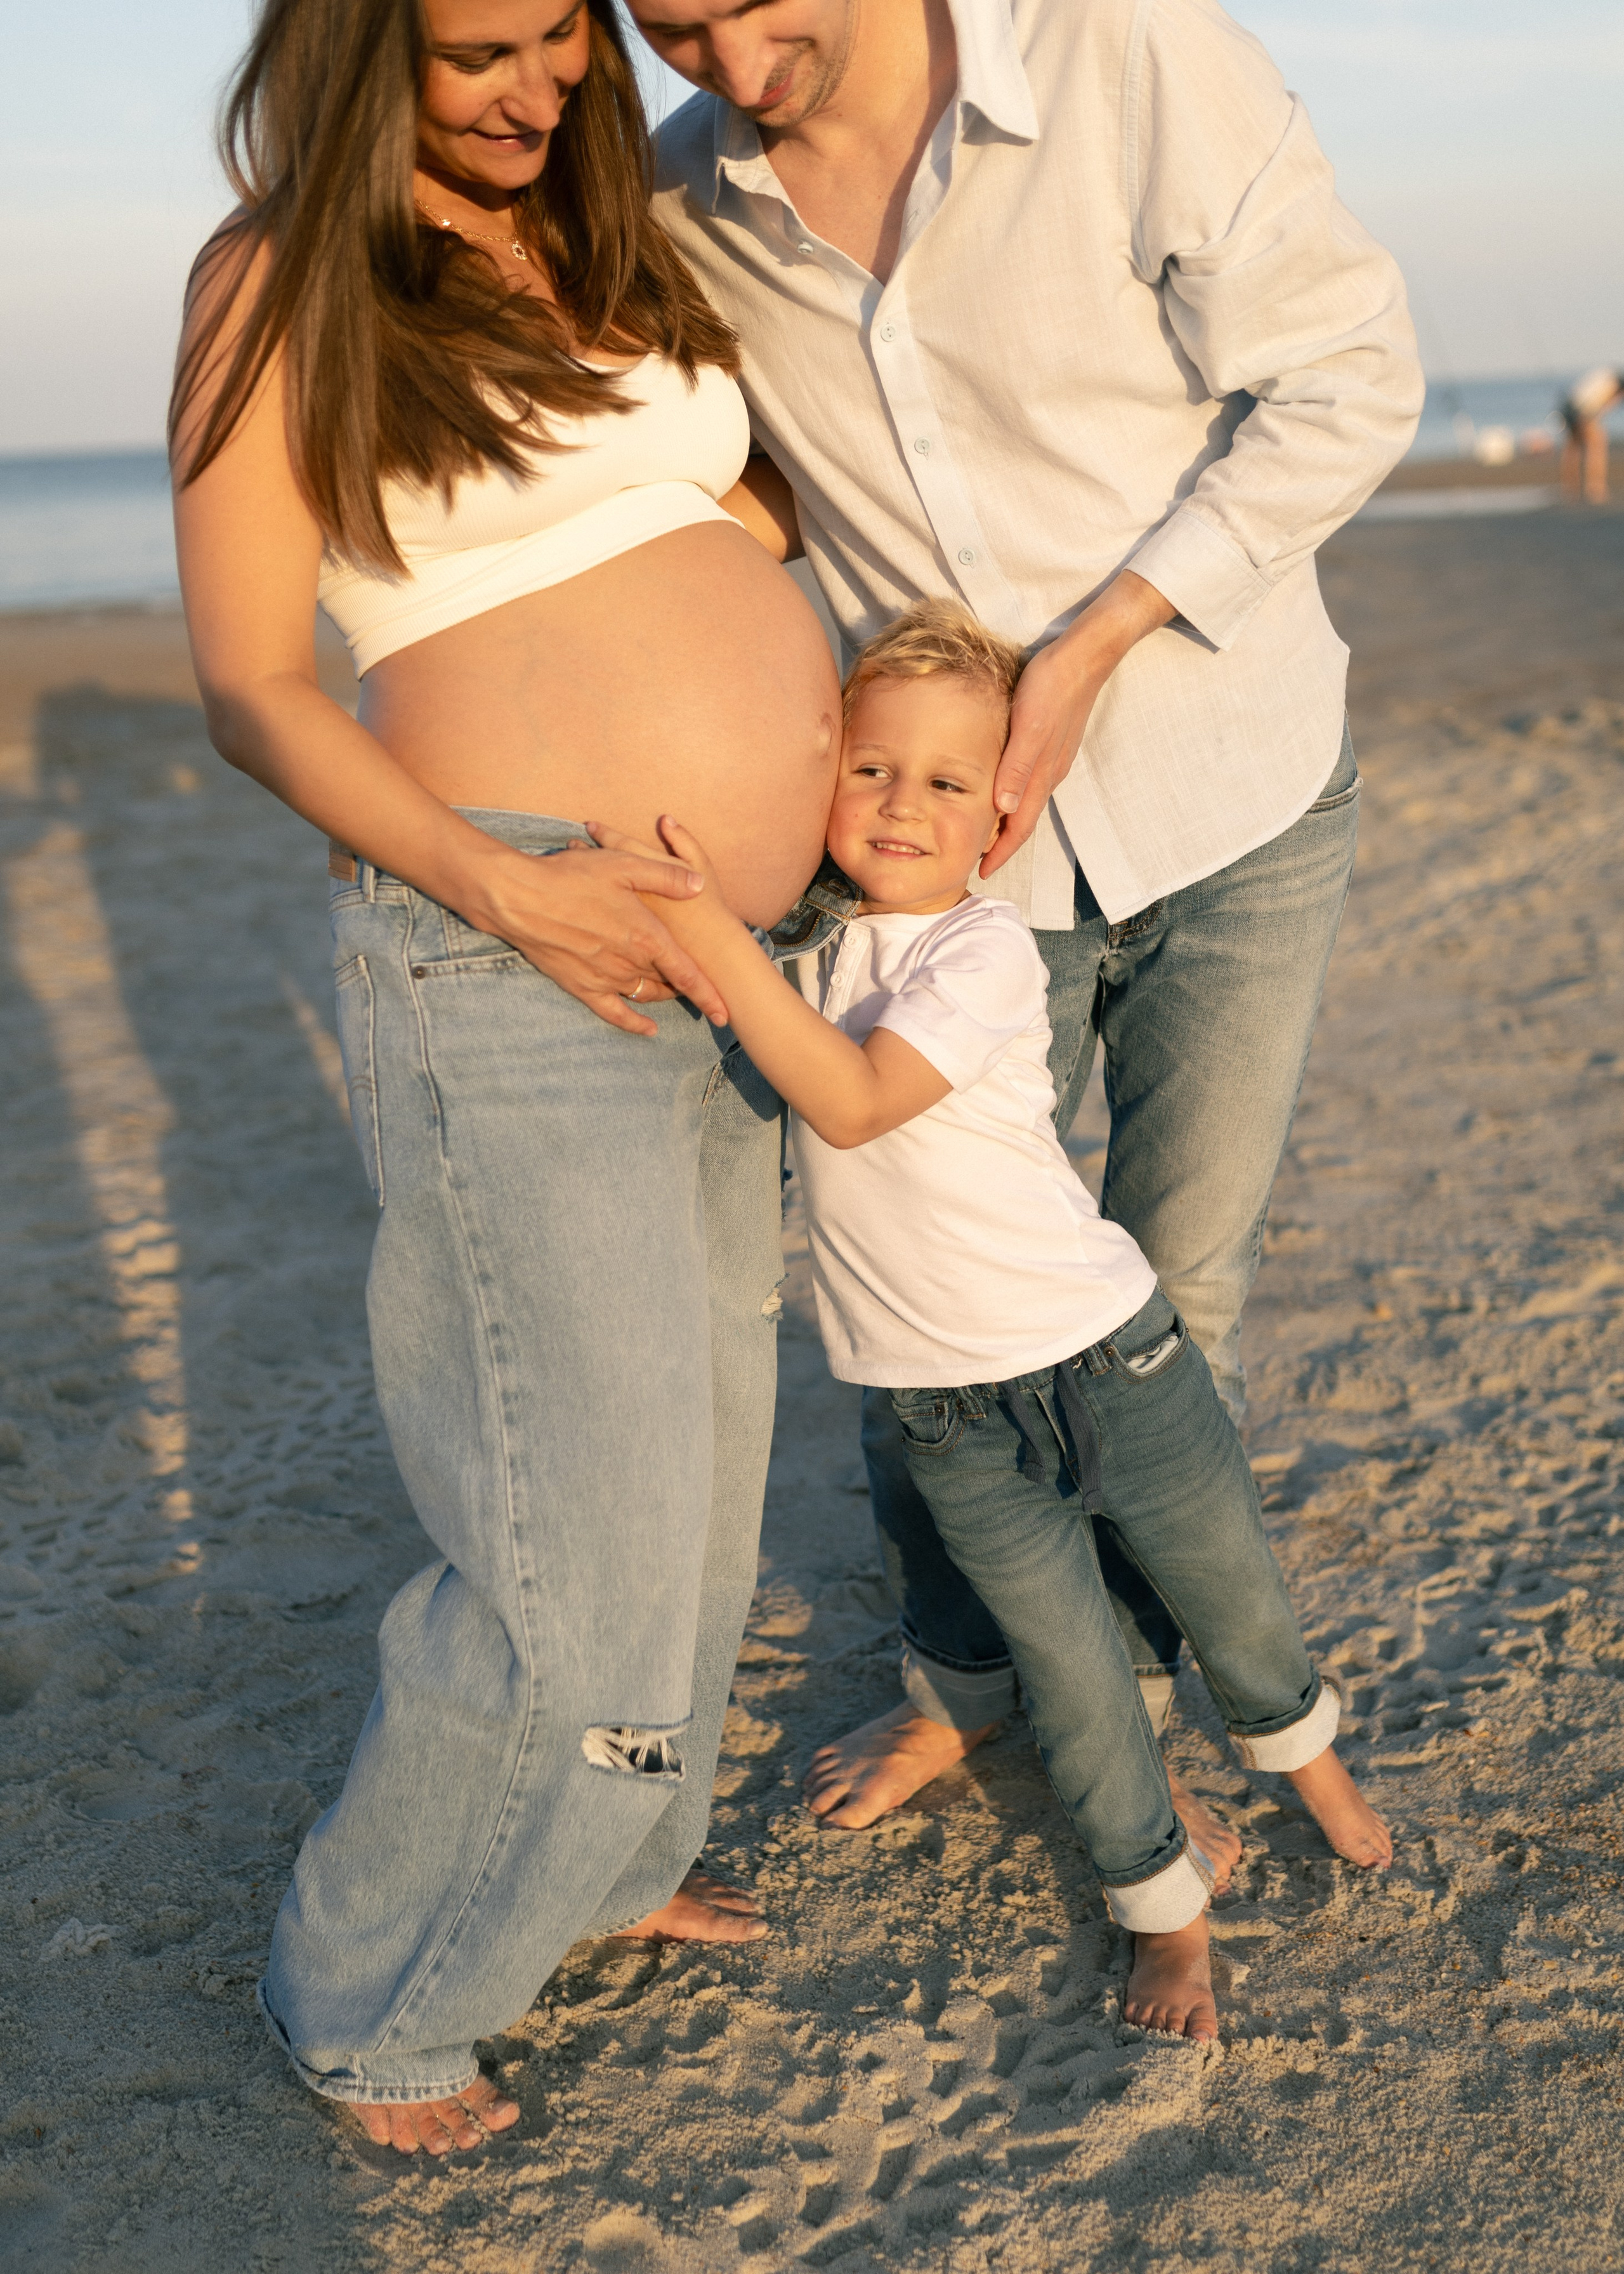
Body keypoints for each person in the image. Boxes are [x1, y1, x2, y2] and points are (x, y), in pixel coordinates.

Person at [636, 0, 1425, 1851]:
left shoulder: (1131, 52)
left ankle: (1136, 1677)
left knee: (1176, 1283)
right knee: (915, 1316)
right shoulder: (678, 206)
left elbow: (1349, 379)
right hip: (941, 864)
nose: (733, 69)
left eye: (753, 8)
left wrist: (1088, 646)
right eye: (672, 29)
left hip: (1235, 791)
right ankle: (960, 1684)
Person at [169, 0, 841, 2156]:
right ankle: (366, 1986)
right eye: (484, 44)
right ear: (362, 41)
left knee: (710, 1465)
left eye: (564, 39)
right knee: (581, 1527)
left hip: (736, 956)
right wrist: (499, 881)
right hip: (510, 938)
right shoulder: (278, 278)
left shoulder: (615, 249)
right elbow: (254, 687)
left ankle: (608, 1869)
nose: (544, 85)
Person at [596, 597, 1392, 2041]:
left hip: (1114, 1363)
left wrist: (699, 924)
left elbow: (844, 1096)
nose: (905, 802)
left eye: (948, 782)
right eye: (871, 768)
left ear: (998, 821)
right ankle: (1166, 1924)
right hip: (951, 1424)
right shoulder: (800, 960)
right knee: (1077, 1690)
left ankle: (1307, 1767)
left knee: (1234, 1606)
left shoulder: (977, 955)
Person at [1559, 367, 1622, 505]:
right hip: (1584, 412)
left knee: (1573, 450)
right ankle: (1595, 488)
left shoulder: (1604, 376)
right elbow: (1601, 406)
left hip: (1571, 408)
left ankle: (1570, 489)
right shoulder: (1612, 385)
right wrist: (1593, 421)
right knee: (1597, 449)